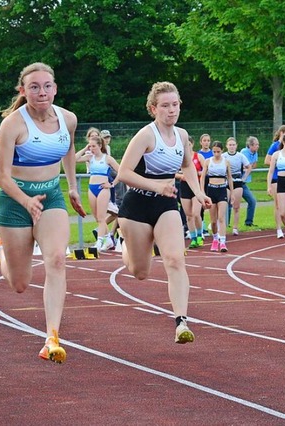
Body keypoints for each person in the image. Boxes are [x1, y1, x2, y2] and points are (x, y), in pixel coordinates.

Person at [0, 62, 86, 363]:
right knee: (19, 284)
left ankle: (52, 337)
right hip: (15, 200)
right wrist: (25, 200)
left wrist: (72, 186)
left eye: (47, 86)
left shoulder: (68, 119)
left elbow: (69, 148)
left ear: (55, 89)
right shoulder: (13, 125)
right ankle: (2, 253)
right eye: (34, 87)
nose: (41, 92)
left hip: (52, 197)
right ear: (23, 91)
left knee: (58, 259)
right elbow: (1, 175)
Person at [117, 81, 211, 344]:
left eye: (175, 104)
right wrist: (156, 185)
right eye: (166, 106)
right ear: (153, 108)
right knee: (140, 271)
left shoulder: (181, 136)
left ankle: (181, 322)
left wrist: (198, 191)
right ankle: (124, 243)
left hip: (166, 205)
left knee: (174, 259)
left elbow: (188, 167)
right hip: (136, 206)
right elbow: (123, 174)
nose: (172, 110)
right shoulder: (146, 136)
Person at [75, 133, 120, 251]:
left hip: (103, 189)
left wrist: (112, 184)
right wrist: (85, 148)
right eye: (90, 146)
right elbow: (74, 159)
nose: (91, 149)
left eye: (93, 146)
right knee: (97, 218)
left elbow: (121, 172)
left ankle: (99, 242)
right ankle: (108, 240)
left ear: (100, 146)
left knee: (101, 217)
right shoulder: (90, 158)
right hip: (91, 187)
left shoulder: (107, 158)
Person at [201, 140, 233, 251]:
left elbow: (229, 177)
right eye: (214, 152)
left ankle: (223, 242)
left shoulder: (226, 162)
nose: (216, 154)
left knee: (221, 218)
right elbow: (203, 177)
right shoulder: (207, 161)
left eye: (218, 152)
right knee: (213, 220)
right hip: (211, 190)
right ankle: (215, 239)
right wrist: (202, 192)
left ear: (222, 151)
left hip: (222, 190)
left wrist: (232, 193)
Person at [264, 125, 285, 239]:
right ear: (281, 133)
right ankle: (279, 229)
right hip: (276, 178)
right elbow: (266, 160)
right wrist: (279, 163)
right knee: (278, 205)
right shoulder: (275, 146)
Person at [223, 137, 251, 236]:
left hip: (238, 182)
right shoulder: (223, 156)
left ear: (236, 145)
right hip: (226, 182)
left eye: (233, 145)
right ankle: (222, 226)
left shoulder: (240, 156)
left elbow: (249, 167)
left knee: (236, 206)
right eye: (230, 145)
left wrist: (244, 178)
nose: (231, 147)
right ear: (226, 146)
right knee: (224, 204)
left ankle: (235, 227)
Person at [181, 136, 205, 249]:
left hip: (196, 186)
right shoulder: (180, 157)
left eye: (189, 145)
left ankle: (200, 235)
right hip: (184, 186)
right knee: (189, 215)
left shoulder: (198, 156)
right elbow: (173, 173)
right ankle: (193, 238)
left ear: (192, 144)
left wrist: (196, 174)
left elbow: (205, 170)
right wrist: (182, 175)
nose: (187, 147)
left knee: (196, 214)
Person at [239, 136, 259, 227]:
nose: (258, 146)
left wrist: (249, 167)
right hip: (238, 180)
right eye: (256, 144)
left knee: (252, 201)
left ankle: (248, 222)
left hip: (244, 182)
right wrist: (248, 167)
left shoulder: (255, 153)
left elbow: (254, 165)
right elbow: (243, 165)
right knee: (230, 203)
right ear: (250, 145)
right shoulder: (244, 152)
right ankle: (225, 223)